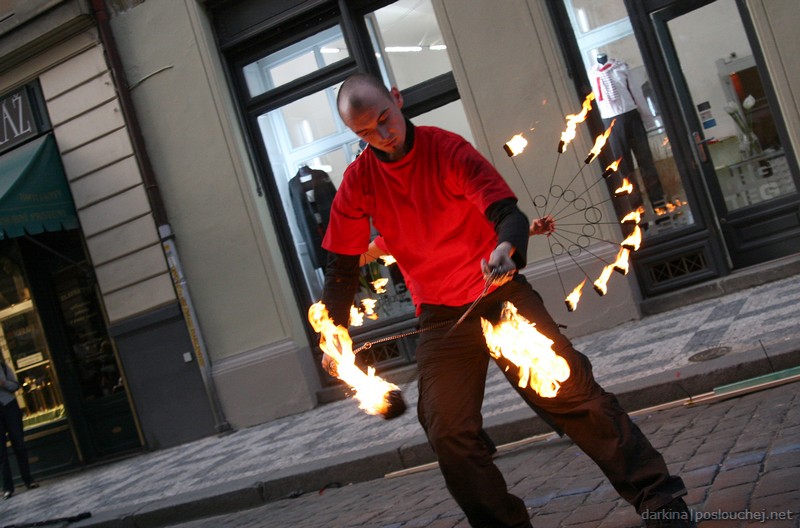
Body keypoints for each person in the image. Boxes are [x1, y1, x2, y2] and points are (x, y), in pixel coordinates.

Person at [318, 72, 694, 527]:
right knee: (447, 432)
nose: (381, 136)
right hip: (439, 318)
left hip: (499, 292)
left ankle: (660, 499)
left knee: (573, 394)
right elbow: (340, 269)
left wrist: (505, 248)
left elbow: (505, 213)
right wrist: (332, 335)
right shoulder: (359, 181)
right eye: (364, 133)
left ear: (397, 99)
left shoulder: (447, 148)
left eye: (384, 119)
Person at [589, 53, 666, 210]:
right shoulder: (592, 74)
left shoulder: (620, 67)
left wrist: (648, 120)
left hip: (631, 115)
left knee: (645, 161)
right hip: (610, 122)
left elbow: (637, 94)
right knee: (623, 168)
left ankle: (659, 203)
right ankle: (637, 208)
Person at [0, 359, 39, 499]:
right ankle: (7, 488)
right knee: (1, 453)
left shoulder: (3, 367)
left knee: (19, 444)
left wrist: (4, 383)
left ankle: (28, 480)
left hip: (9, 406)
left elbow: (16, 385)